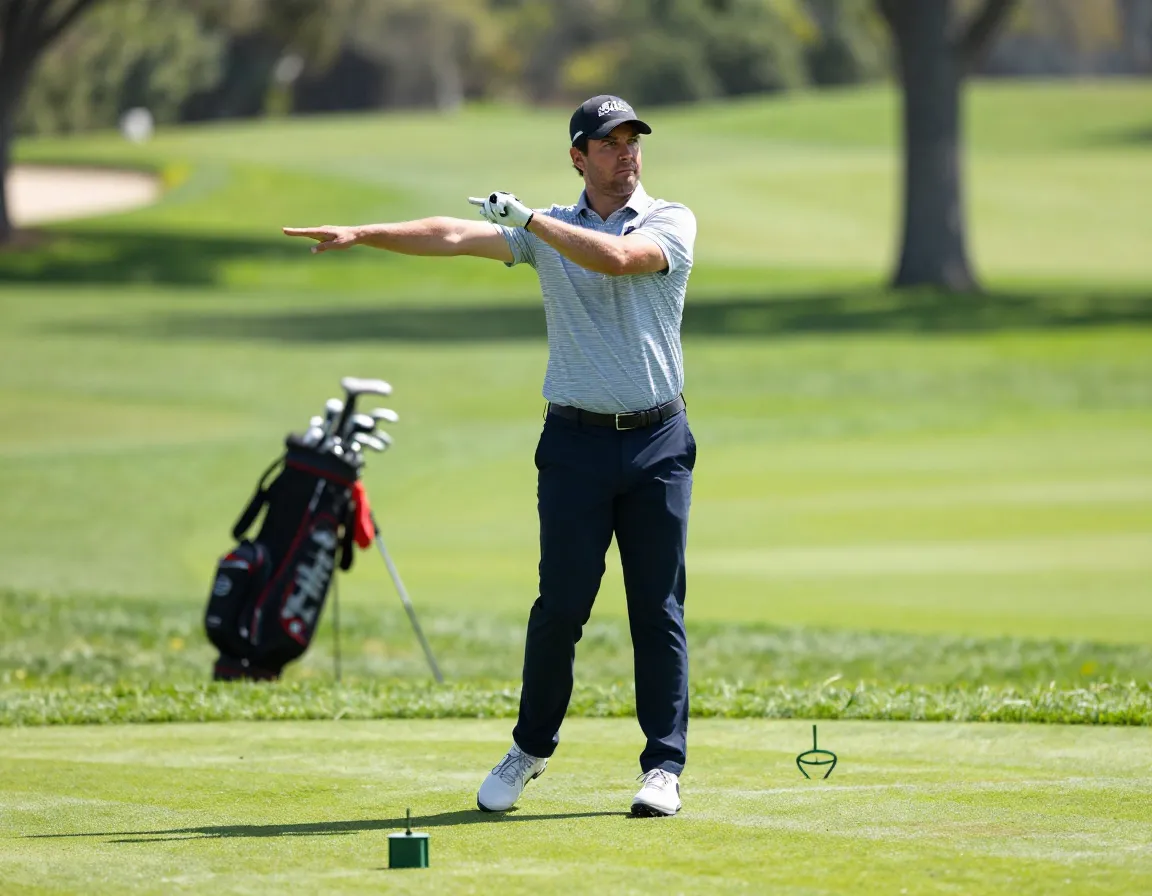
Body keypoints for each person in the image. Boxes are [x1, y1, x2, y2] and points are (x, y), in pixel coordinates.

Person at [283, 94, 697, 818]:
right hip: (573, 443)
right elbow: (449, 235)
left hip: (658, 442)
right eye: (609, 143)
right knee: (559, 609)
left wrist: (530, 220)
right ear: (579, 156)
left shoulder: (668, 220)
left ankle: (663, 767)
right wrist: (364, 232)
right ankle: (530, 750)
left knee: (655, 608)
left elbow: (622, 260)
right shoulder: (547, 228)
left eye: (633, 140)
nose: (626, 153)